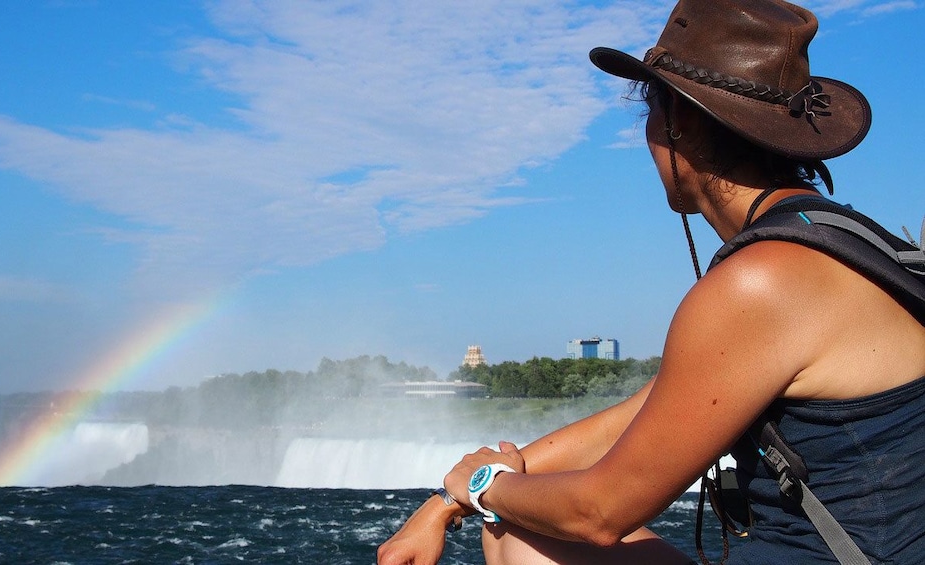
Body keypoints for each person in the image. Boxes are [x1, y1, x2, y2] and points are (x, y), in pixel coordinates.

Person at [377, 0, 925, 563]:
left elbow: (600, 512)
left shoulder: (762, 281)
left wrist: (486, 487)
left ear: (678, 124)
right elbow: (642, 412)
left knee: (515, 529)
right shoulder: (844, 239)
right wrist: (445, 500)